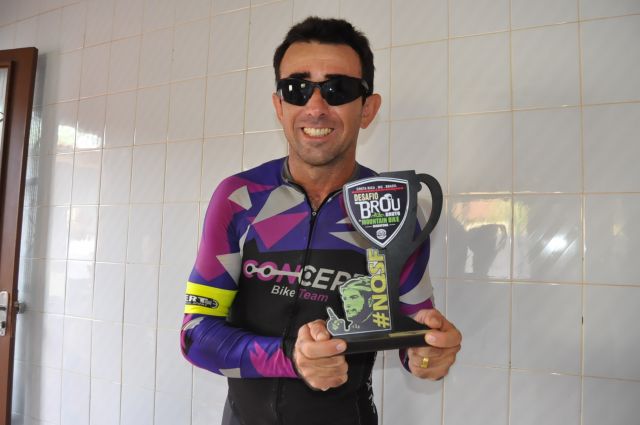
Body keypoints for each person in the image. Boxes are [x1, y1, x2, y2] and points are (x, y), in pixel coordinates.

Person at [180, 17, 462, 425]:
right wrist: (291, 357)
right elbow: (195, 335)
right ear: (279, 106)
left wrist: (427, 351)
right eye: (296, 89)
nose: (315, 107)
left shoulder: (392, 207)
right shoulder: (239, 199)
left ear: (367, 109)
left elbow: (410, 335)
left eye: (337, 89)